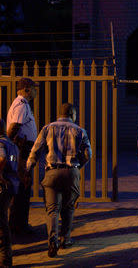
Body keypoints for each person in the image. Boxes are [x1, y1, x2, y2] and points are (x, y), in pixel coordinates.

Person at [26, 103, 92, 257]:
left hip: (52, 172)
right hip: (71, 172)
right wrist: (78, 167)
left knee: (52, 210)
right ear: (72, 114)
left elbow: (35, 151)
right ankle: (65, 239)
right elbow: (88, 154)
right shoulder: (80, 131)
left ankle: (52, 240)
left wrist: (28, 168)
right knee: (68, 207)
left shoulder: (47, 128)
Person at [7, 77, 38, 235]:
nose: (35, 91)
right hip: (22, 150)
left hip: (22, 149)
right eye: (33, 88)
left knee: (22, 187)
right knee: (23, 186)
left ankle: (19, 224)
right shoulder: (21, 105)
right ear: (26, 89)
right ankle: (19, 226)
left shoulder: (21, 104)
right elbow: (14, 127)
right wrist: (13, 146)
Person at [0, 119, 19, 267]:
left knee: (1, 225)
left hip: (2, 185)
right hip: (11, 186)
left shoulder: (0, 144)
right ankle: (7, 257)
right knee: (3, 221)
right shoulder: (12, 145)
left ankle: (5, 259)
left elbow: (2, 159)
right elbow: (14, 162)